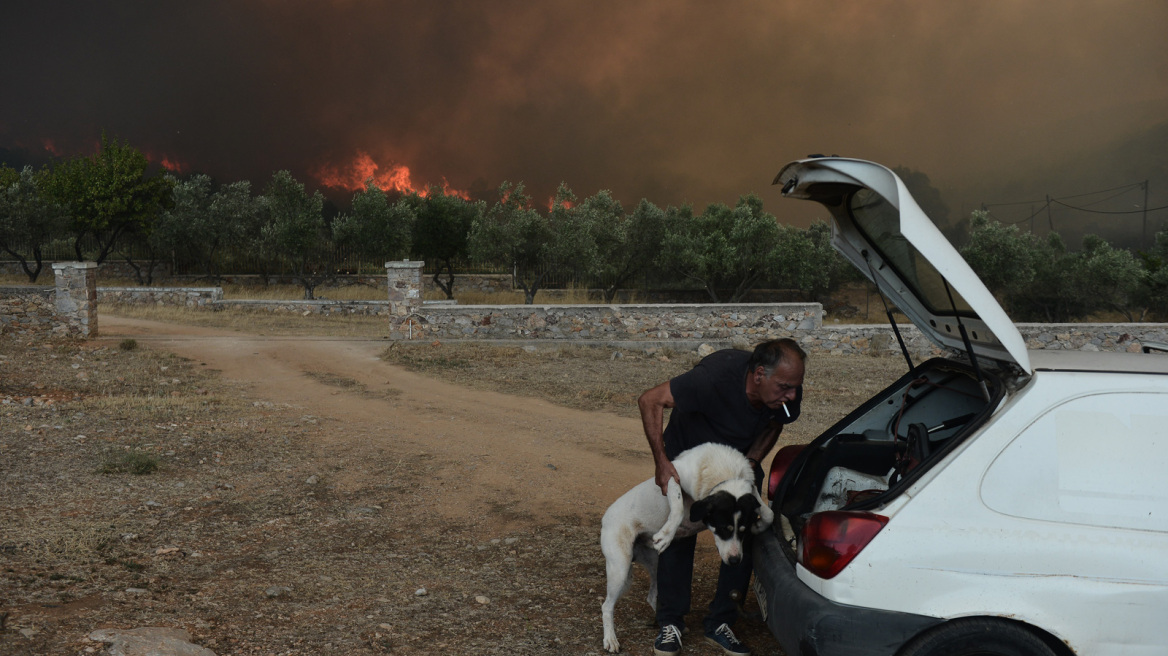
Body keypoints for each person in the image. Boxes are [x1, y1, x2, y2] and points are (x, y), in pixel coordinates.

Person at [638, 338, 806, 656]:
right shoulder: (713, 379)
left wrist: (753, 461)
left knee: (746, 530)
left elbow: (776, 423)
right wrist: (662, 463)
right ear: (759, 374)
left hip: (735, 464)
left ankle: (721, 620)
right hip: (690, 461)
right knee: (681, 529)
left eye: (795, 387)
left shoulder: (785, 393)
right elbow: (650, 400)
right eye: (785, 387)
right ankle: (671, 621)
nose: (792, 396)